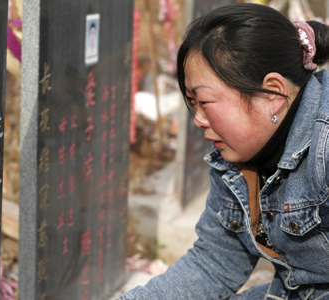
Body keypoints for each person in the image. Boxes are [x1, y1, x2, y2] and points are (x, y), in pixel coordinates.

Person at [120, 3, 329, 300]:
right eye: (192, 102)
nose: (197, 120)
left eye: (204, 101)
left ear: (271, 94)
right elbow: (213, 263)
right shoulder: (235, 157)